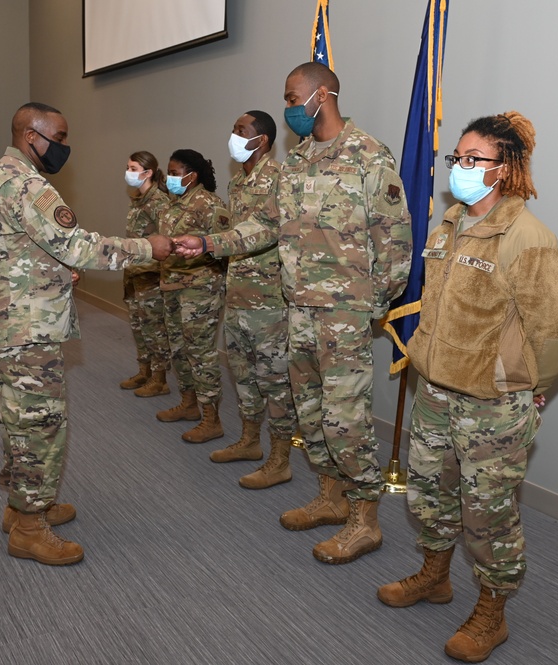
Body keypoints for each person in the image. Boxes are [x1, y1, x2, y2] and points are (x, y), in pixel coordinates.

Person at [174, 63, 411, 563]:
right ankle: (330, 497)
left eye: (291, 97)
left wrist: (372, 302)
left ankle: (364, 520)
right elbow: (265, 227)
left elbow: (395, 238)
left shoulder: (368, 154)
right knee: (311, 410)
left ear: (321, 95)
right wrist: (210, 242)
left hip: (344, 314)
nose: (287, 108)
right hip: (297, 309)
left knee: (346, 418)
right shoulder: (298, 162)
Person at [375, 112, 558, 663]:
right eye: (457, 159)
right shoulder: (449, 227)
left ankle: (492, 611)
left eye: (474, 160)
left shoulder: (527, 239)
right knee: (429, 494)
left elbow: (556, 330)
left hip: (492, 405)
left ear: (506, 169)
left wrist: (534, 387)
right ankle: (435, 576)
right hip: (436, 392)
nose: (460, 169)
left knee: (487, 513)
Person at [0, 102, 172, 566]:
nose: (65, 147)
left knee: (19, 419)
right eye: (59, 138)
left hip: (9, 317)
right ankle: (28, 527)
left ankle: (20, 506)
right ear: (31, 136)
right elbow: (78, 244)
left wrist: (54, 269)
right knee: (41, 424)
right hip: (26, 326)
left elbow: (19, 249)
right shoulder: (27, 184)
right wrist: (150, 247)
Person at [207, 111, 298, 490]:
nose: (233, 136)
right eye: (232, 130)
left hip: (269, 302)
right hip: (238, 296)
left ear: (261, 140)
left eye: (240, 131)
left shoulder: (280, 178)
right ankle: (249, 442)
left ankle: (280, 460)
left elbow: (269, 231)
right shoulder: (238, 183)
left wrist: (210, 244)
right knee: (243, 376)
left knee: (274, 382)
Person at [154, 149, 231, 443]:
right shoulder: (172, 205)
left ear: (191, 175)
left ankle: (212, 419)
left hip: (200, 289)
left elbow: (224, 246)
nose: (170, 178)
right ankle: (188, 405)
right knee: (178, 349)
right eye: (169, 172)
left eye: (174, 173)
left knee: (200, 353)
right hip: (171, 285)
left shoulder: (209, 205)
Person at [119, 151, 173, 398]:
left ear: (148, 172)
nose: (128, 172)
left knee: (155, 329)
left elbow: (164, 244)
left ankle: (160, 379)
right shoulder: (137, 200)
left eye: (133, 168)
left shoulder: (158, 202)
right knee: (139, 327)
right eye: (128, 167)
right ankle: (145, 371)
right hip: (134, 276)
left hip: (150, 277)